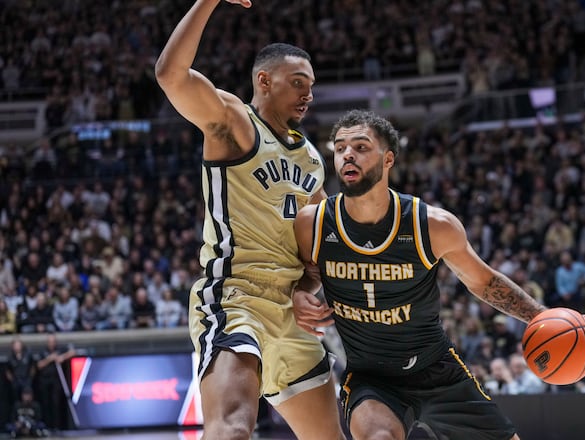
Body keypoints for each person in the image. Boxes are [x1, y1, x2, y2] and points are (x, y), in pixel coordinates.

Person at [292, 109, 547, 439]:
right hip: (371, 378)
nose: (347, 155)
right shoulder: (312, 223)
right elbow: (310, 273)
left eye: (360, 146)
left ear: (388, 160)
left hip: (436, 368)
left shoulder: (431, 225)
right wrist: (301, 291)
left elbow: (484, 281)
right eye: (339, 148)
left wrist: (541, 316)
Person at [155, 1, 344, 439]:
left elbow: (313, 250)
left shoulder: (313, 159)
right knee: (234, 430)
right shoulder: (236, 122)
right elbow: (171, 76)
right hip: (235, 298)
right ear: (264, 80)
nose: (308, 95)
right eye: (298, 83)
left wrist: (304, 288)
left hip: (291, 314)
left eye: (311, 86)